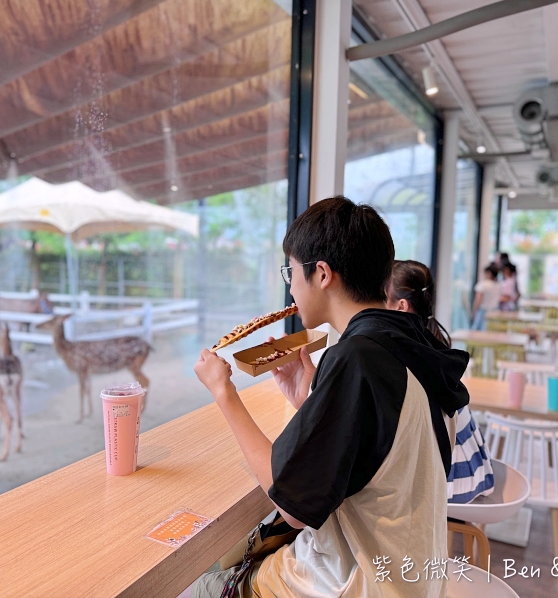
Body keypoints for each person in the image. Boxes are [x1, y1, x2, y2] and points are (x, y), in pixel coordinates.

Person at [189, 196, 469, 598]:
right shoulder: (411, 344)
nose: (290, 286)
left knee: (200, 584)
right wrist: (308, 401)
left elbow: (292, 506)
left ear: (321, 273)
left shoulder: (356, 358)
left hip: (357, 582)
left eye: (291, 271)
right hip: (417, 577)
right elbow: (379, 452)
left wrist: (224, 392)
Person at [385, 260, 494, 505]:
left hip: (451, 479)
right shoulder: (433, 340)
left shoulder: (409, 353)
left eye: (381, 298)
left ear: (401, 306)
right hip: (473, 462)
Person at [470, 265, 501, 330]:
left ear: (489, 273)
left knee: (477, 333)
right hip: (494, 312)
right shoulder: (498, 285)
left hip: (482, 312)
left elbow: (478, 300)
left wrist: (474, 311)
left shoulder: (482, 284)